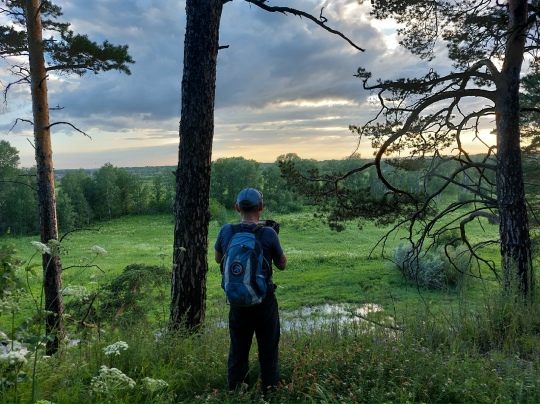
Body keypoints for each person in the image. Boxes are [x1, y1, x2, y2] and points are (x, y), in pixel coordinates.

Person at [214, 188, 287, 396]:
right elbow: (282, 264)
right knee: (268, 351)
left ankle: (238, 395)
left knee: (238, 352)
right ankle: (271, 395)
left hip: (238, 302)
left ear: (237, 208)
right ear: (261, 207)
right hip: (264, 301)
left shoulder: (226, 231)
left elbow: (218, 259)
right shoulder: (268, 233)